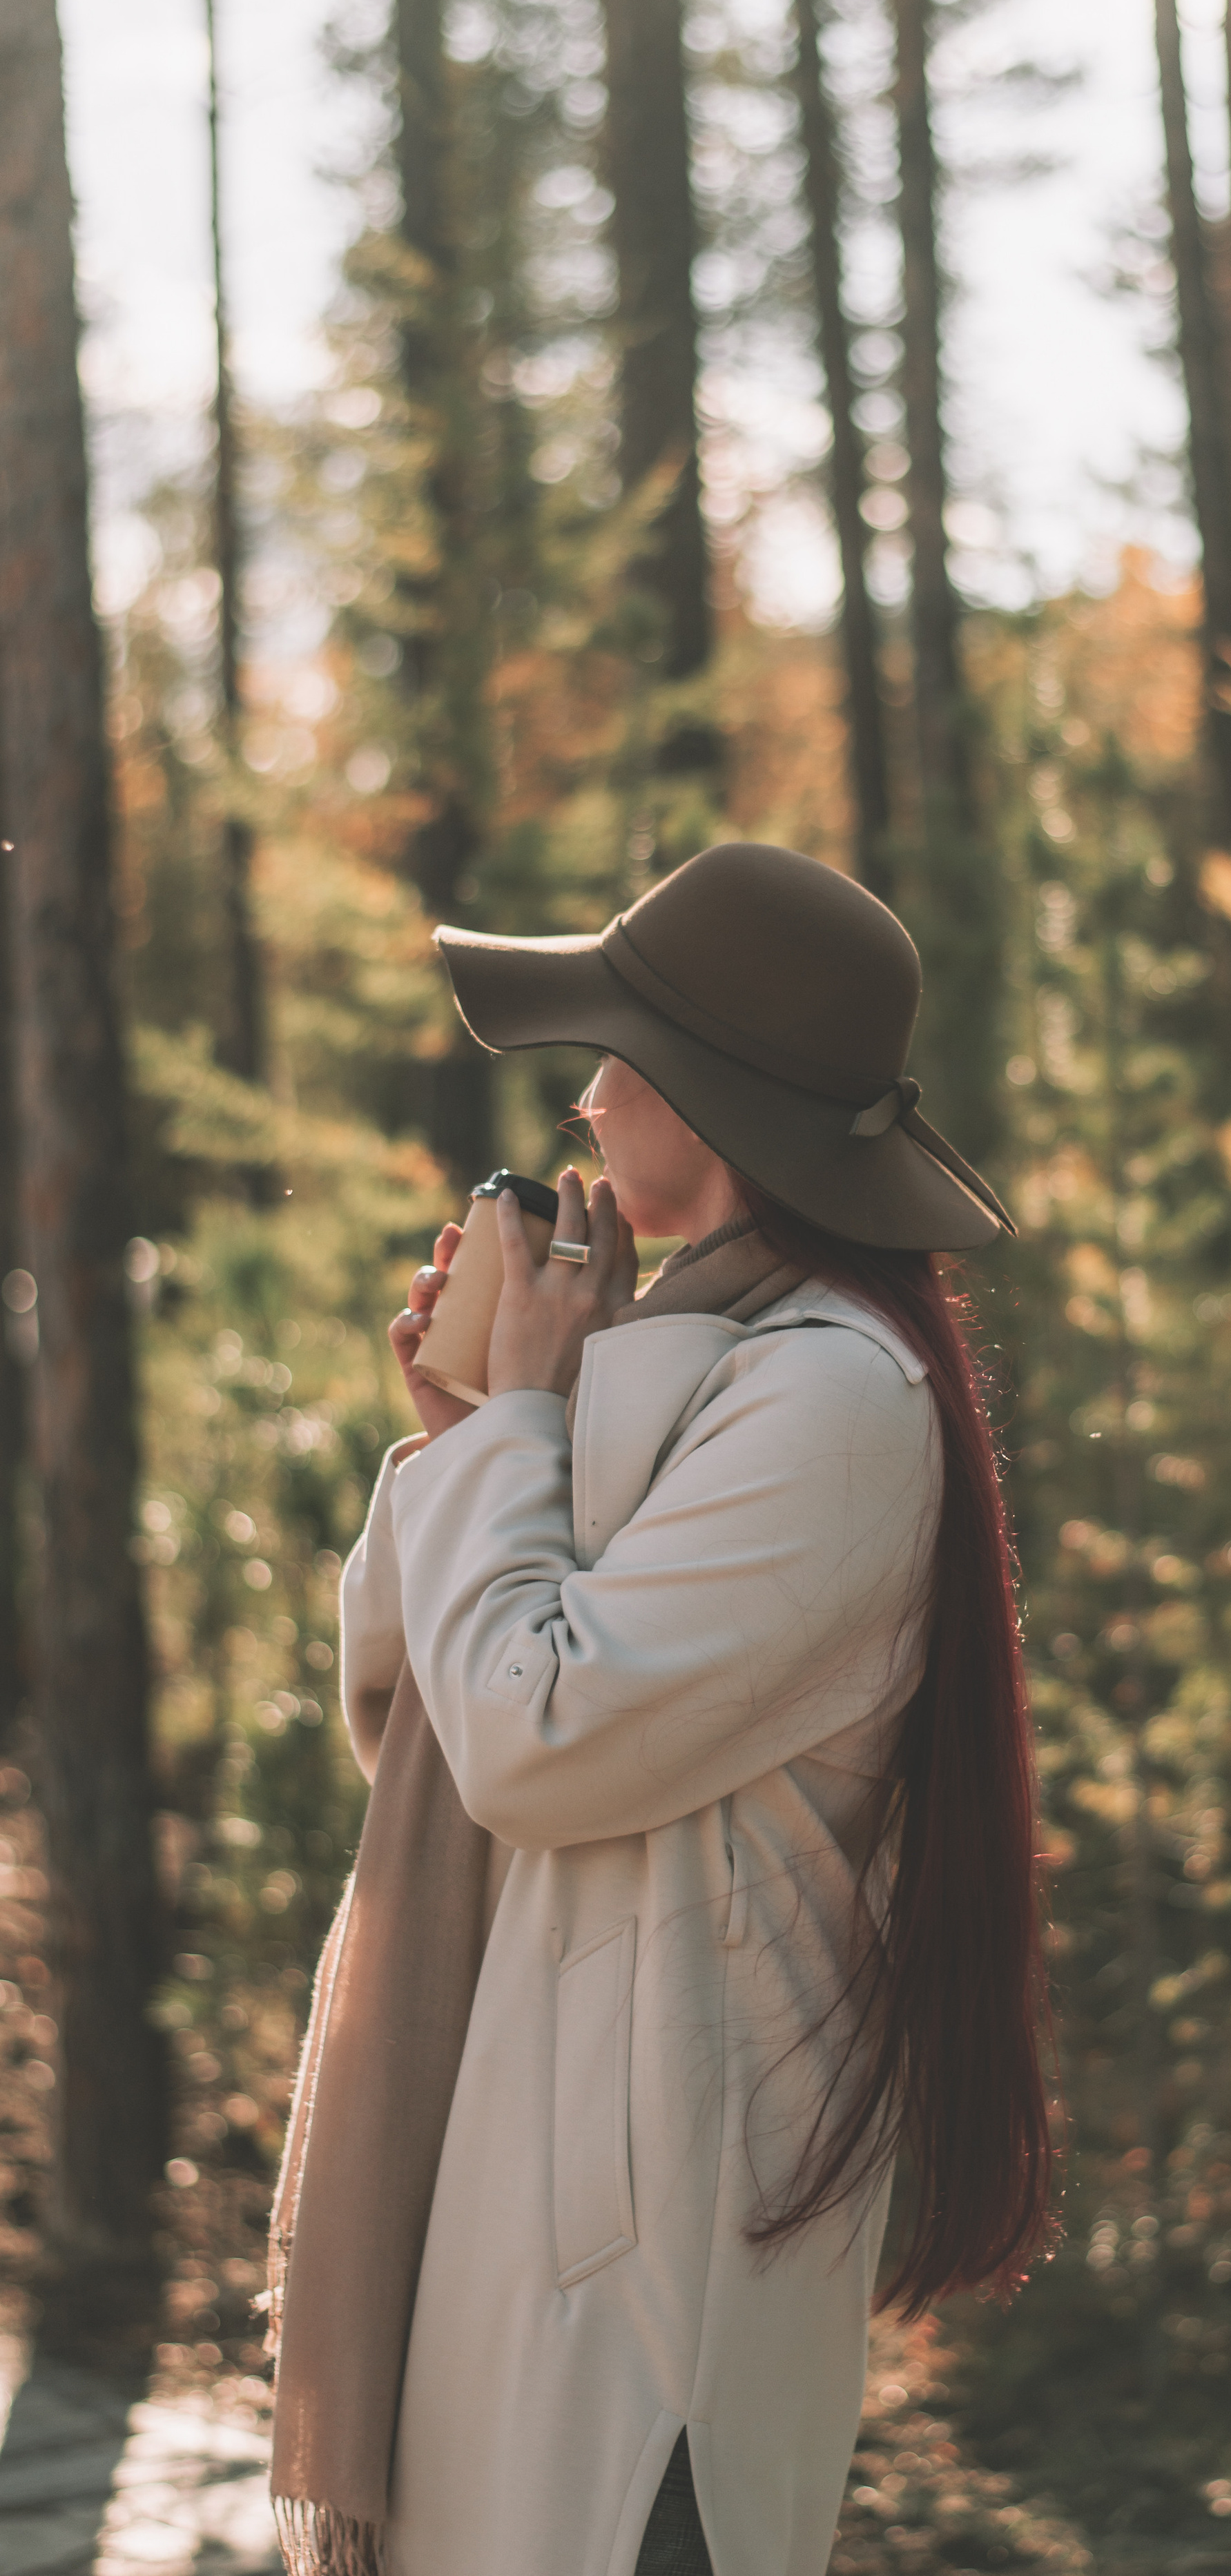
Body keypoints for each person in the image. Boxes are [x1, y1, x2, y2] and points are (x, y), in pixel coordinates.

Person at [266, 841, 1056, 2576]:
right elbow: (422, 1728)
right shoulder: (690, 1362)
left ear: (721, 1103)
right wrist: (473, 1424)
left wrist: (521, 1429)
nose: (594, 1096)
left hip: (643, 2277)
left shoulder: (837, 1401)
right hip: (528, 2185)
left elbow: (535, 1743)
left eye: (626, 1055)